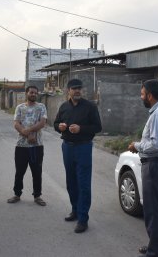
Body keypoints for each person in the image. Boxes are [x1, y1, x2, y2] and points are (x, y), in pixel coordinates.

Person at [128, 80, 158, 257]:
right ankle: (155, 248)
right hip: (157, 164)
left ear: (149, 95)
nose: (141, 97)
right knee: (157, 210)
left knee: (153, 211)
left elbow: (156, 145)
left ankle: (155, 252)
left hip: (155, 165)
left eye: (142, 94)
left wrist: (137, 145)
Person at [53, 79, 102, 233]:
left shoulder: (90, 107)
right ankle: (75, 210)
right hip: (67, 147)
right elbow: (55, 124)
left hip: (83, 147)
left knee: (83, 183)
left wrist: (81, 129)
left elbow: (97, 127)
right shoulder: (64, 106)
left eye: (79, 88)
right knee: (71, 182)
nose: (77, 91)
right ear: (68, 90)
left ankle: (83, 218)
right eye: (74, 89)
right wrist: (59, 127)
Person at [7, 85, 47, 206]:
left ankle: (37, 196)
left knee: (37, 171)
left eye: (35, 93)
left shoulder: (41, 107)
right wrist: (26, 134)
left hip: (37, 145)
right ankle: (17, 194)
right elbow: (16, 123)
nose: (33, 94)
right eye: (31, 92)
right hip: (21, 146)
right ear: (26, 93)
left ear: (37, 94)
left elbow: (42, 122)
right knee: (19, 171)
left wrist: (28, 131)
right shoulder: (20, 107)